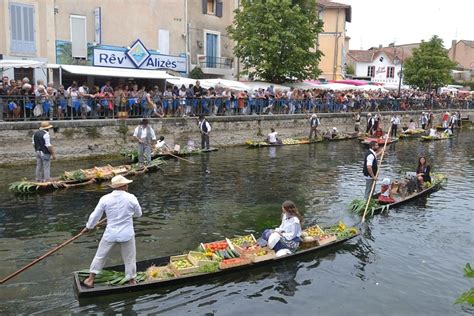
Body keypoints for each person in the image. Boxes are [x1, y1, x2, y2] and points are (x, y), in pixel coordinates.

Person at [81, 175, 142, 288]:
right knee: (129, 258)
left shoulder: (105, 199)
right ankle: (132, 281)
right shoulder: (131, 198)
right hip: (126, 234)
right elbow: (139, 214)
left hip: (110, 233)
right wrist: (129, 213)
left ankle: (90, 280)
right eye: (126, 184)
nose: (127, 186)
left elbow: (95, 215)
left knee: (100, 256)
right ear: (123, 186)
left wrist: (89, 227)